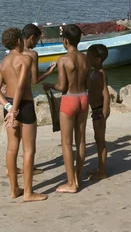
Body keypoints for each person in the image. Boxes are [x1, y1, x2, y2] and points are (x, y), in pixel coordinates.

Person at [0, 27, 47, 202]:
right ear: (18, 41)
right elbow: (22, 87)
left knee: (11, 148)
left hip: (9, 105)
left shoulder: (2, 63)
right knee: (29, 150)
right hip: (24, 106)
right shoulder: (25, 59)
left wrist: (8, 108)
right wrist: (14, 110)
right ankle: (28, 193)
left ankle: (14, 189)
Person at [43, 24, 90, 193]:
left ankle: (71, 183)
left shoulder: (63, 60)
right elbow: (87, 83)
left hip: (69, 99)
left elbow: (62, 86)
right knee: (81, 140)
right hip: (83, 98)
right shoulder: (86, 59)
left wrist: (49, 84)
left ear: (65, 41)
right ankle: (78, 177)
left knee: (67, 143)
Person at [4, 23, 56, 177]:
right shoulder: (32, 55)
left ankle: (11, 169)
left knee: (12, 144)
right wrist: (49, 72)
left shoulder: (9, 54)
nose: (36, 44)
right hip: (25, 100)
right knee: (28, 145)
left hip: (9, 99)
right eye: (37, 40)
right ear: (31, 38)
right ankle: (29, 172)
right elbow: (34, 81)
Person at [87, 44, 110, 180]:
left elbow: (106, 95)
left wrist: (104, 114)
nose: (87, 60)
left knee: (100, 140)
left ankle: (102, 171)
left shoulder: (101, 74)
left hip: (100, 110)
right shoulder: (94, 72)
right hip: (95, 110)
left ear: (98, 59)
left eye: (89, 58)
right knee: (97, 139)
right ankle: (100, 167)